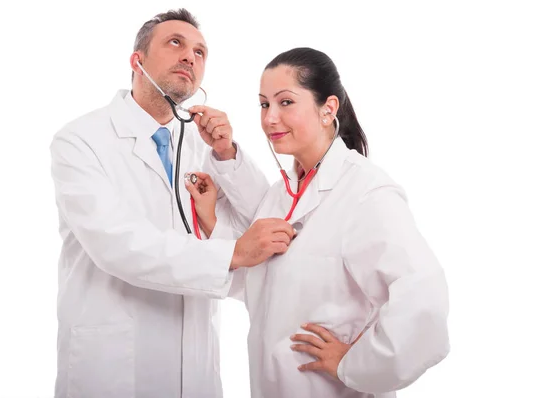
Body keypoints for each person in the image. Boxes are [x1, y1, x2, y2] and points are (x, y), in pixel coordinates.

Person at [49, 9, 294, 398]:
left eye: (200, 52)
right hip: (114, 368)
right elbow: (117, 245)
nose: (190, 57)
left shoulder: (203, 147)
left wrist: (228, 154)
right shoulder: (81, 141)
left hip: (194, 368)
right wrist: (231, 254)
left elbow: (268, 220)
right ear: (137, 60)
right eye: (175, 43)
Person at [191, 47, 450, 398]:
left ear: (328, 109)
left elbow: (423, 299)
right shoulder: (283, 194)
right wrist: (212, 220)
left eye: (285, 102)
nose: (269, 119)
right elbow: (262, 284)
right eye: (264, 104)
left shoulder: (365, 191)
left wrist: (355, 363)